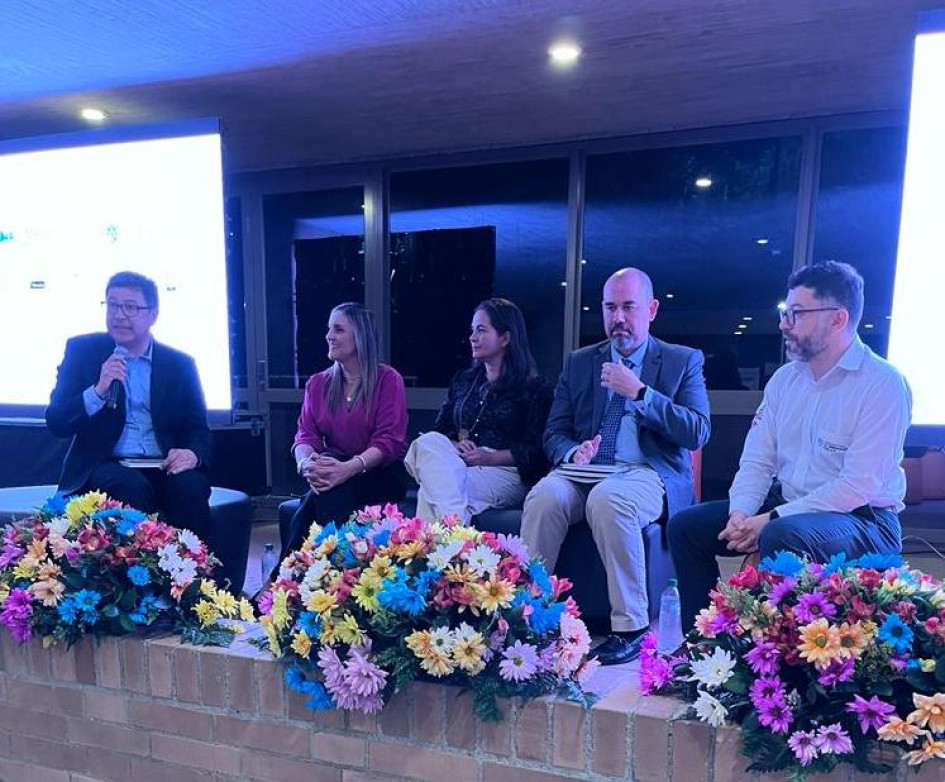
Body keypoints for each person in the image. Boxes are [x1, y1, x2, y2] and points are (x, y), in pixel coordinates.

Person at [668, 261, 911, 631]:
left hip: (864, 519)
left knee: (783, 534)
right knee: (687, 526)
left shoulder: (882, 385)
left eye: (796, 313)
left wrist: (769, 520)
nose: (784, 324)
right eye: (785, 312)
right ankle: (702, 646)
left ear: (838, 319)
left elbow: (857, 486)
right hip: (790, 507)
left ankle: (773, 659)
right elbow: (757, 460)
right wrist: (741, 512)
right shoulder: (785, 381)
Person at [521, 268, 710, 665]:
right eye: (610, 307)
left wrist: (640, 392)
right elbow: (553, 431)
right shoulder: (580, 362)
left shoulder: (680, 361)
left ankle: (630, 626)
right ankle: (529, 614)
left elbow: (698, 430)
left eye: (628, 307)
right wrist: (573, 452)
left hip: (645, 473)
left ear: (652, 309)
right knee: (543, 497)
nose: (618, 317)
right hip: (585, 471)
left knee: (610, 500)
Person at [45, 270, 215, 557]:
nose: (119, 315)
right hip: (106, 464)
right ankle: (136, 583)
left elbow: (198, 428)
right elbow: (57, 421)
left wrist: (192, 454)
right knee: (128, 486)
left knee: (190, 487)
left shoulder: (179, 364)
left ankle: (192, 579)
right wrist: (98, 390)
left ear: (153, 314)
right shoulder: (82, 351)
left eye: (131, 307)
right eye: (112, 305)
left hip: (162, 463)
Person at [404, 298, 552, 524]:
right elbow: (441, 431)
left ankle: (445, 540)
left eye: (481, 330)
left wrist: (488, 457)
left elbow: (538, 452)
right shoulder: (464, 381)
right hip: (457, 462)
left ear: (505, 338)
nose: (472, 337)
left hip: (506, 472)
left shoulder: (535, 387)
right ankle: (453, 538)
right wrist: (456, 445)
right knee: (428, 442)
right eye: (472, 330)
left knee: (431, 490)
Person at [280, 302, 408, 559]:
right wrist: (306, 464)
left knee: (326, 491)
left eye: (338, 329)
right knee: (328, 484)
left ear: (360, 337)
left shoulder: (388, 380)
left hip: (380, 473)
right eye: (329, 329)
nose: (329, 336)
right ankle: (327, 574)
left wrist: (347, 469)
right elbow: (306, 435)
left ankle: (287, 574)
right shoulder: (318, 383)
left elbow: (389, 442)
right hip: (333, 469)